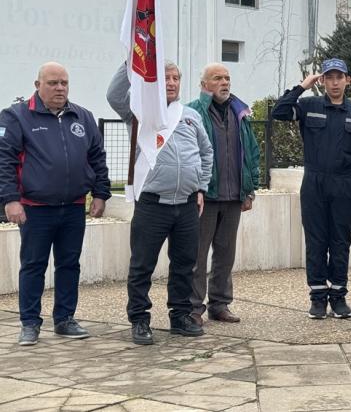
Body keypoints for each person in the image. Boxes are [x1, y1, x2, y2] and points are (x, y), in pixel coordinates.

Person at [0, 62, 111, 346]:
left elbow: (97, 158)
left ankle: (64, 319)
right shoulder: (16, 117)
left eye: (64, 82)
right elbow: (5, 162)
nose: (60, 88)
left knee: (69, 265)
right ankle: (29, 323)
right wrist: (11, 200)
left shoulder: (82, 117)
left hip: (73, 207)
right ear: (38, 85)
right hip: (35, 208)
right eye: (52, 83)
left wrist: (100, 193)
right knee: (33, 266)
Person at [107, 61, 213, 344]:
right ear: (153, 82)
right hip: (153, 204)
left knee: (184, 264)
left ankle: (180, 316)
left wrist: (201, 186)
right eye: (165, 78)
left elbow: (206, 152)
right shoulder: (141, 113)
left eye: (176, 78)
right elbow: (114, 96)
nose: (171, 82)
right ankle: (140, 320)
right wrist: (133, 60)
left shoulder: (190, 115)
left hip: (188, 204)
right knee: (142, 265)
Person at [271, 58, 351, 319]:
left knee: (340, 241)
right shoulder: (308, 105)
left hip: (344, 183)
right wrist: (302, 86)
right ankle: (318, 298)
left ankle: (338, 297)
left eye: (339, 77)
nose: (335, 82)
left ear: (347, 80)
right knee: (316, 241)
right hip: (314, 182)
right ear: (323, 81)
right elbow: (279, 112)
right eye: (329, 77)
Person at [188, 63, 261, 325]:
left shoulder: (239, 112)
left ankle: (220, 304)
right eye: (217, 78)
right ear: (204, 85)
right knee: (197, 254)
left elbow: (252, 152)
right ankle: (194, 307)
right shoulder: (194, 112)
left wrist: (250, 189)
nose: (224, 82)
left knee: (225, 254)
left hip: (233, 196)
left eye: (227, 78)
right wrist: (194, 187)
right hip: (204, 196)